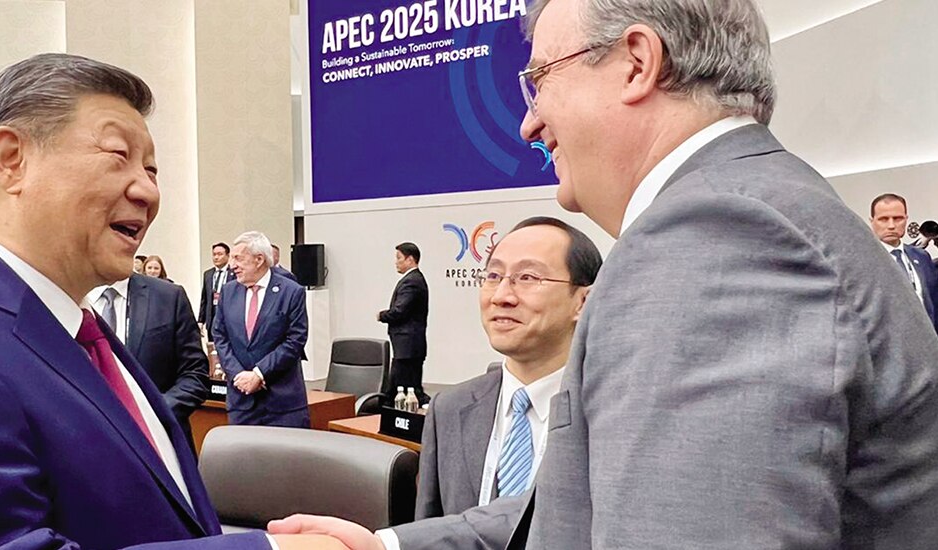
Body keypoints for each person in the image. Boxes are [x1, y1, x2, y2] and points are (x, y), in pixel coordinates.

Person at [269, 0, 938, 548]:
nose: (530, 122)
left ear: (636, 64)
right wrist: (384, 546)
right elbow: (595, 496)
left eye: (540, 80)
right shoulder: (748, 209)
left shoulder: (716, 234)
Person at [0, 53, 338, 550]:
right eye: (118, 156)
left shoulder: (78, 332)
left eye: (153, 169)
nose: (148, 190)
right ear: (12, 159)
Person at [415, 217, 599, 520]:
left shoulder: (612, 416)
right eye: (493, 276)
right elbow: (429, 531)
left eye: (527, 277)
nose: (501, 296)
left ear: (583, 301)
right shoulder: (448, 408)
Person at [88, 271, 211, 451]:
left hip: (158, 447)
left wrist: (154, 413)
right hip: (89, 448)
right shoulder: (61, 298)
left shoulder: (168, 297)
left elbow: (195, 374)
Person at [212, 231, 310, 427]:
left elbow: (295, 340)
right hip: (241, 402)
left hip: (282, 404)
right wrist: (238, 374)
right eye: (231, 258)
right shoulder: (228, 291)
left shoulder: (291, 292)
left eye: (238, 258)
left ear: (258, 260)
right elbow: (220, 336)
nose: (232, 265)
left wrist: (259, 374)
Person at [870, 193, 938, 332]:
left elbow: (933, 301)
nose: (891, 225)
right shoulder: (863, 260)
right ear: (872, 221)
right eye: (883, 219)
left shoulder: (921, 256)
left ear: (906, 219)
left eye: (898, 218)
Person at [377, 242, 429, 403]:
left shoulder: (412, 281)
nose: (396, 262)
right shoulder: (414, 279)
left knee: (405, 388)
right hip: (408, 345)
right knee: (408, 386)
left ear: (410, 260)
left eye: (399, 258)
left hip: (408, 345)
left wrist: (382, 315)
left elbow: (400, 311)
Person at [199, 242, 232, 340]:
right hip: (212, 316)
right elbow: (204, 299)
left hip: (228, 316)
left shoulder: (234, 273)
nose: (216, 257)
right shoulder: (208, 274)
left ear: (228, 255)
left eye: (220, 254)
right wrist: (201, 321)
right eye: (214, 254)